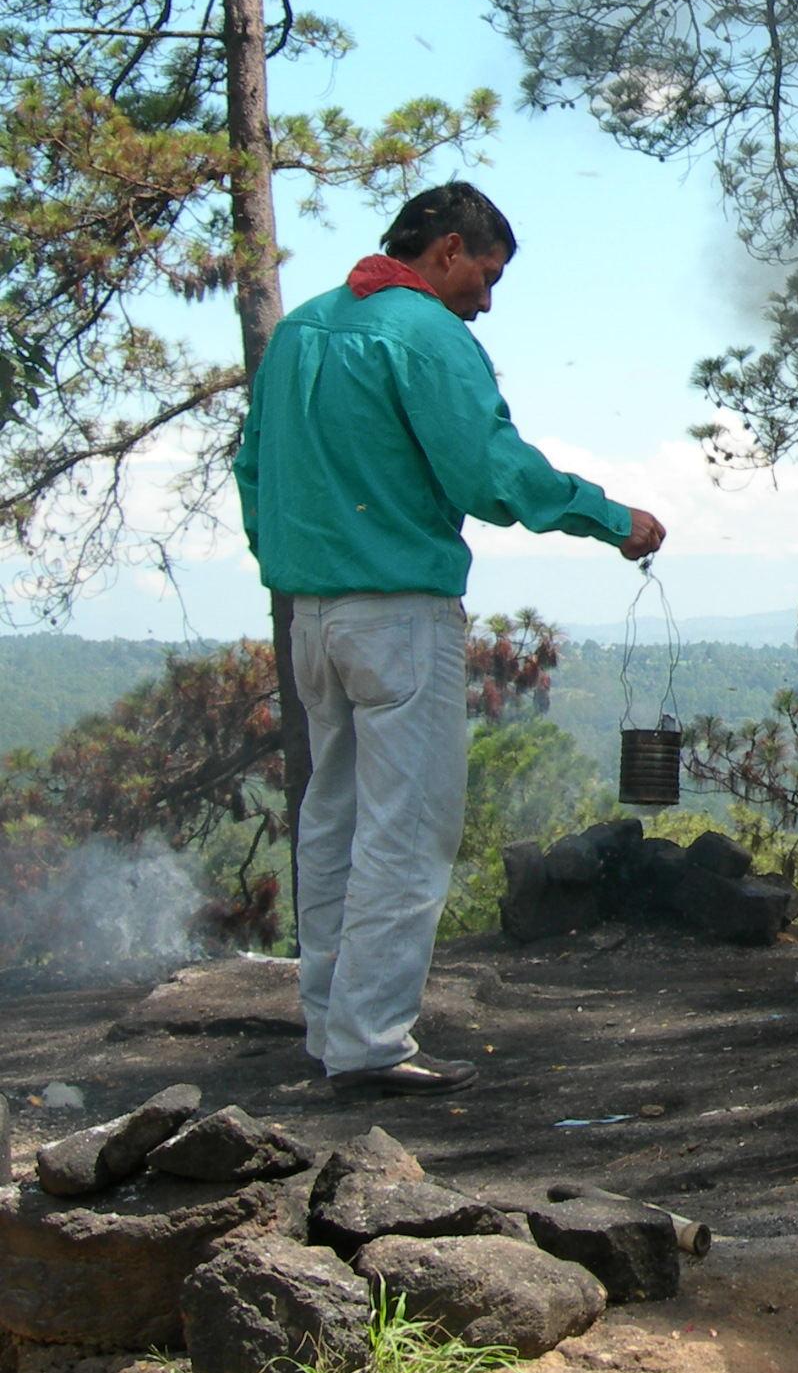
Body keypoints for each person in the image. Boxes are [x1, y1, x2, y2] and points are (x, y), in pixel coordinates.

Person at [235, 182, 667, 1097]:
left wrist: (285, 559)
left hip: (311, 615)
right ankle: (370, 1044)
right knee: (407, 828)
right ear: (448, 252)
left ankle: (330, 1027)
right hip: (398, 612)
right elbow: (488, 472)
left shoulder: (302, 329)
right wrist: (608, 516)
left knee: (333, 819)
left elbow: (251, 465)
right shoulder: (427, 335)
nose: (488, 299)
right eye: (488, 275)